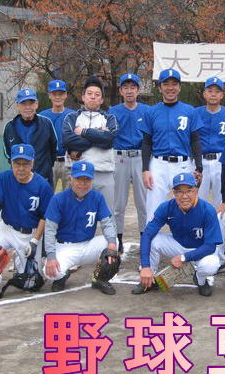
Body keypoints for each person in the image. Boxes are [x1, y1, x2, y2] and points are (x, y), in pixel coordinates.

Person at [0, 144, 53, 300]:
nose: (20, 168)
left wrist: (35, 241)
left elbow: (44, 217)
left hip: (30, 233)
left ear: (32, 163)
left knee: (32, 283)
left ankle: (20, 261)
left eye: (25, 164)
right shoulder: (4, 178)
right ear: (11, 163)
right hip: (7, 227)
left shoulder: (42, 185)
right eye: (17, 163)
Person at [133, 172, 223, 297]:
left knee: (210, 265)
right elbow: (147, 234)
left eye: (189, 191)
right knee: (154, 240)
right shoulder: (166, 207)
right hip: (178, 245)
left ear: (196, 191)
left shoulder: (207, 210)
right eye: (179, 191)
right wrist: (145, 266)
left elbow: (210, 246)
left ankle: (201, 280)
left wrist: (184, 258)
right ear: (174, 193)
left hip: (201, 249)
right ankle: (148, 279)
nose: (184, 196)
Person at [43, 161, 119, 295]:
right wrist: (51, 256)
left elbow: (107, 223)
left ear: (92, 181)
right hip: (65, 247)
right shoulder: (58, 199)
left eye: (87, 180)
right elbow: (49, 231)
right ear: (71, 179)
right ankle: (62, 275)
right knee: (50, 272)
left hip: (88, 245)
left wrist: (112, 243)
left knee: (113, 242)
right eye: (79, 179)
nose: (82, 184)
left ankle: (99, 279)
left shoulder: (97, 197)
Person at [140, 68, 203, 222]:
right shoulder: (151, 112)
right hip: (158, 164)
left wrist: (199, 167)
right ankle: (152, 237)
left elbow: (195, 140)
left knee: (186, 205)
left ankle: (187, 236)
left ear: (179, 87)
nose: (170, 88)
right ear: (160, 88)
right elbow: (146, 142)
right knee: (154, 208)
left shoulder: (189, 111)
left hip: (183, 163)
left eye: (174, 84)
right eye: (166, 84)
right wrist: (145, 169)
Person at [63, 75, 119, 214]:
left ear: (101, 99)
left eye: (97, 94)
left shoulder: (109, 118)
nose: (93, 97)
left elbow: (109, 140)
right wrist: (99, 136)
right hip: (78, 173)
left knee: (107, 216)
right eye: (89, 93)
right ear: (83, 97)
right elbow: (68, 140)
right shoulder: (72, 117)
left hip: (104, 172)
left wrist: (83, 132)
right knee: (75, 214)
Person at [109, 73, 151, 252]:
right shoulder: (113, 111)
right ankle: (118, 239)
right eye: (125, 87)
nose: (129, 91)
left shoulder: (147, 111)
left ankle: (145, 239)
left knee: (143, 203)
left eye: (132, 87)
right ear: (120, 91)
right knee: (118, 204)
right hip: (120, 157)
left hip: (141, 157)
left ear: (138, 90)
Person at [195, 76, 225, 207]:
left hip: (221, 161)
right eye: (210, 91)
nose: (213, 94)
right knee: (197, 201)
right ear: (204, 94)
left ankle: (221, 222)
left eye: (217, 91)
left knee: (223, 201)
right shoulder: (195, 113)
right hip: (199, 161)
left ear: (222, 95)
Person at [3, 87, 58, 186]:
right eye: (24, 104)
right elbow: (8, 154)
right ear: (17, 106)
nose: (28, 107)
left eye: (31, 103)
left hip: (42, 179)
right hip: (18, 180)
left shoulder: (46, 123)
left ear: (36, 104)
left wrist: (45, 168)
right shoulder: (10, 126)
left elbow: (54, 149)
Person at [39, 79, 76, 191]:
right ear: (49, 95)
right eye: (54, 94)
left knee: (70, 196)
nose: (57, 97)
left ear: (65, 95)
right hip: (49, 162)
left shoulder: (73, 115)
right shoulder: (42, 116)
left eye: (60, 94)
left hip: (69, 161)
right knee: (46, 194)